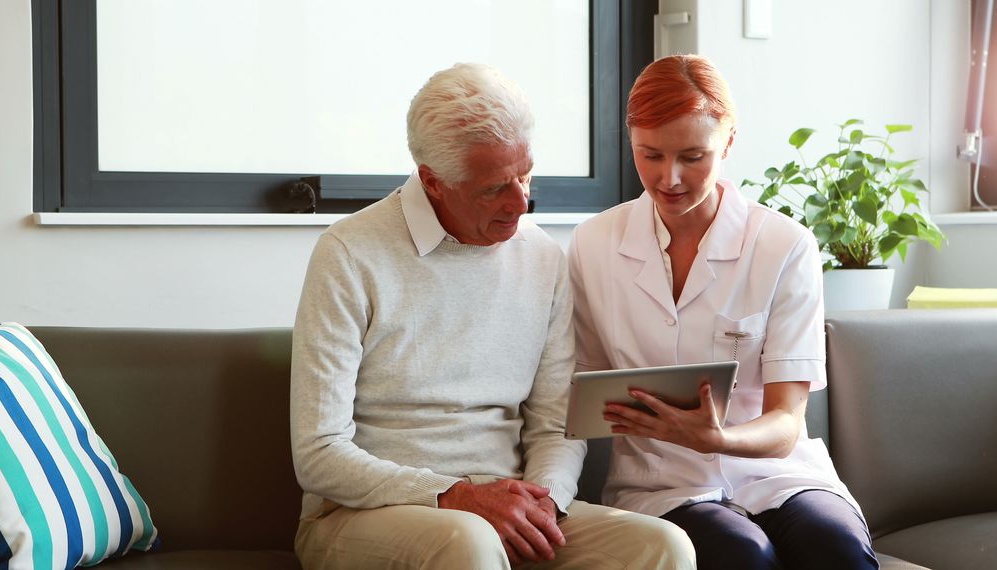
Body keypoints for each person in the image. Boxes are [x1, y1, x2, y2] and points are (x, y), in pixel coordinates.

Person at [289, 63, 695, 569]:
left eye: (526, 176)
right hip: (362, 513)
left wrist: (544, 499)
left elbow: (554, 426)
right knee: (467, 542)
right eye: (495, 188)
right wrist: (455, 496)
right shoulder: (349, 253)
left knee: (662, 546)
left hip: (503, 509)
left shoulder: (543, 258)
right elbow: (319, 453)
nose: (521, 203)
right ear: (433, 182)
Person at [567, 54, 879, 570]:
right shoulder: (594, 244)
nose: (669, 178)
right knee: (743, 555)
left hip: (779, 474)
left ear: (728, 142)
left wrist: (718, 439)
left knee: (836, 549)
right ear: (631, 142)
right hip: (663, 485)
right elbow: (583, 386)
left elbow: (784, 422)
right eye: (650, 155)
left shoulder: (784, 245)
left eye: (693, 156)